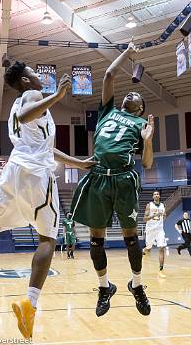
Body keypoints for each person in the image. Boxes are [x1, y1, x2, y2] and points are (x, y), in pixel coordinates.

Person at [0, 61, 95, 339]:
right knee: (48, 239)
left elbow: (47, 148)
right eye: (33, 73)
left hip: (14, 171)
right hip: (35, 176)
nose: (38, 76)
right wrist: (58, 96)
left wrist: (77, 163)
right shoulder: (34, 97)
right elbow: (30, 116)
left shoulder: (17, 106)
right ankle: (30, 303)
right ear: (26, 81)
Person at [71, 41, 154, 318]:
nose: (132, 94)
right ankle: (104, 287)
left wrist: (149, 142)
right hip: (98, 178)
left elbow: (147, 163)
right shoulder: (108, 110)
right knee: (96, 240)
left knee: (132, 239)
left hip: (124, 180)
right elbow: (108, 75)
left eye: (138, 97)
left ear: (140, 110)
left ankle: (137, 285)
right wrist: (128, 53)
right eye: (130, 93)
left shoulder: (142, 125)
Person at [143, 191, 167, 278]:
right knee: (149, 248)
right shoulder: (149, 205)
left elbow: (165, 215)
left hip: (160, 230)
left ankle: (161, 269)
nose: (156, 195)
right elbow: (144, 219)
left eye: (157, 194)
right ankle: (144, 250)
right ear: (153, 196)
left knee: (161, 248)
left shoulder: (163, 205)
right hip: (150, 230)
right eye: (155, 194)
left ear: (159, 196)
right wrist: (154, 216)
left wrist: (163, 216)